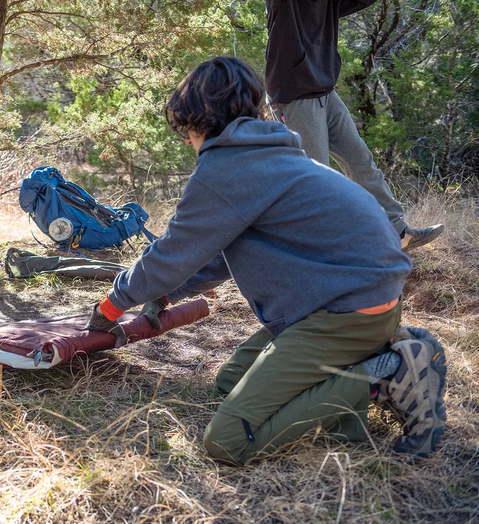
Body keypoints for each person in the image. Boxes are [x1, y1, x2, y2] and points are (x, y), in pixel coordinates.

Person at [85, 57, 447, 464]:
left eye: (186, 128)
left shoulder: (226, 167)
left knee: (228, 440)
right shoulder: (268, 151)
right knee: (230, 380)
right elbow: (222, 253)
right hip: (366, 302)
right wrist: (168, 294)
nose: (187, 140)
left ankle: (387, 375)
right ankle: (383, 352)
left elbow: (170, 253)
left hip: (345, 312)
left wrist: (112, 305)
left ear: (203, 117)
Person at [264, 0, 443, 252]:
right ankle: (310, 255)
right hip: (294, 95)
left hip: (324, 89)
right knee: (315, 181)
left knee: (360, 160)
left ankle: (397, 232)